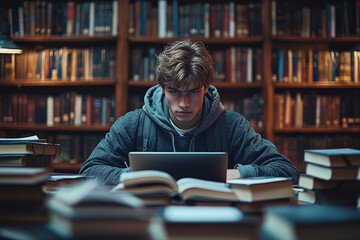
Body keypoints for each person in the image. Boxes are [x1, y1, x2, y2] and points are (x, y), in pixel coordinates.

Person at [80, 39, 299, 185]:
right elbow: (89, 170)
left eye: (193, 92)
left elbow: (287, 170)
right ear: (162, 88)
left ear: (206, 88)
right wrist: (136, 176)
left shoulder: (232, 126)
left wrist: (237, 174)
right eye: (175, 91)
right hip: (149, 218)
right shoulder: (133, 123)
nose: (184, 103)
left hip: (215, 222)